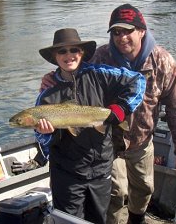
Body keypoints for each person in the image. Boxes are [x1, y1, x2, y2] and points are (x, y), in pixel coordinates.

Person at [40, 4, 176, 224]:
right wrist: (52, 79)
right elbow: (74, 71)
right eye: (116, 32)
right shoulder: (101, 56)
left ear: (142, 31)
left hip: (142, 141)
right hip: (109, 142)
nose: (121, 38)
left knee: (144, 189)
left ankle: (136, 220)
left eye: (128, 31)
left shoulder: (163, 61)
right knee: (116, 193)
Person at [32, 28, 146, 224]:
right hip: (67, 173)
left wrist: (121, 109)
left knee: (98, 220)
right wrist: (44, 134)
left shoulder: (100, 74)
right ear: (54, 56)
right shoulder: (47, 93)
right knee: (68, 221)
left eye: (73, 50)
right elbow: (42, 142)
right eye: (62, 51)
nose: (69, 56)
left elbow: (138, 81)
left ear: (81, 52)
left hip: (100, 169)